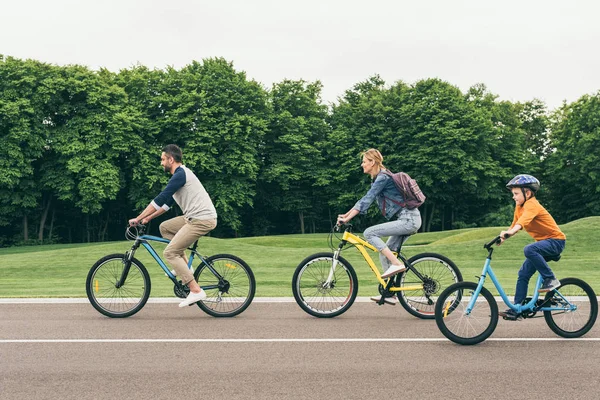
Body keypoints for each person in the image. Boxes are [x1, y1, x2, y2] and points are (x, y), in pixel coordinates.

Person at [128, 144, 218, 308]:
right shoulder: (179, 176)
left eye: (163, 159)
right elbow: (166, 204)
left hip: (201, 219)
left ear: (171, 159)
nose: (161, 163)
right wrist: (147, 218)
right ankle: (185, 268)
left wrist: (138, 217)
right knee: (165, 228)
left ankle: (196, 291)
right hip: (193, 217)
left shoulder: (180, 174)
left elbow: (160, 198)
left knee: (170, 252)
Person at [336, 149, 422, 305]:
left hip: (408, 219)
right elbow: (364, 200)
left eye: (364, 161)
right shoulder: (380, 177)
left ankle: (396, 264)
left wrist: (348, 217)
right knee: (385, 252)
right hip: (407, 219)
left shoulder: (382, 178)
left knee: (369, 233)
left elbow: (366, 200)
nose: (362, 164)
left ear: (372, 162)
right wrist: (345, 215)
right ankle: (390, 292)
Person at [497, 174, 566, 320]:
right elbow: (515, 224)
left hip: (556, 241)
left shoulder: (532, 205)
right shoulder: (519, 207)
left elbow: (522, 223)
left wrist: (510, 232)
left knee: (529, 249)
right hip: (544, 244)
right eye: (513, 194)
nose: (513, 197)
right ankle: (517, 308)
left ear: (527, 193)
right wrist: (502, 238)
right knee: (523, 274)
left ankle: (551, 279)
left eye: (516, 193)